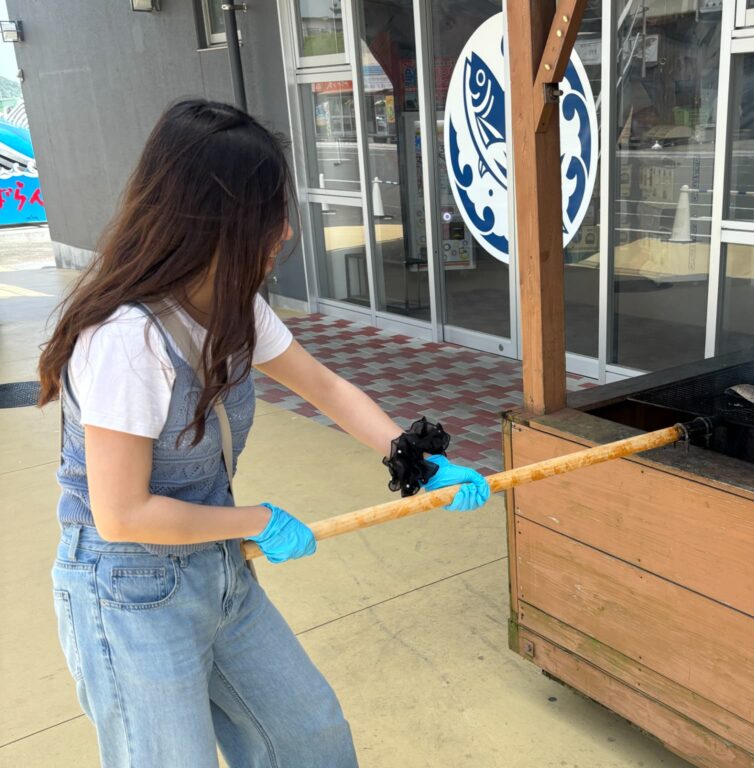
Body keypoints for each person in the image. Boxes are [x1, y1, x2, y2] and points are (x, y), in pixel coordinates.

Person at [36, 99, 491, 767]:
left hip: (217, 565)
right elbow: (122, 513)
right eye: (268, 212)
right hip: (127, 589)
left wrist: (413, 459)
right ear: (212, 219)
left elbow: (325, 388)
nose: (284, 231)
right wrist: (258, 520)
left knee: (309, 739)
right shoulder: (126, 339)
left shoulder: (231, 306)